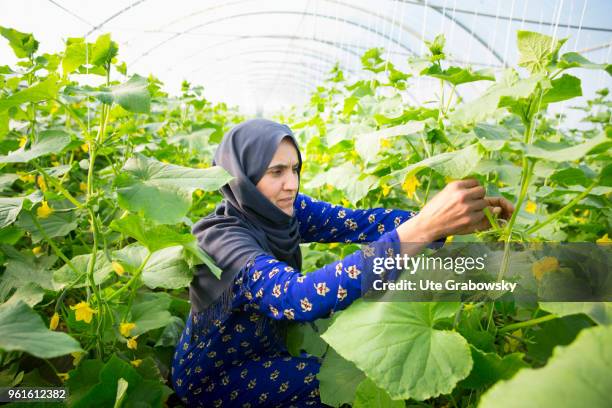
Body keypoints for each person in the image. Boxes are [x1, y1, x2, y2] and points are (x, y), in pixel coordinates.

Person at [171, 119, 514, 407]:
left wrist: (448, 220)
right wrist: (422, 228)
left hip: (267, 348)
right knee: (337, 381)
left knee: (343, 371)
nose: (291, 184)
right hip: (216, 379)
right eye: (276, 172)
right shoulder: (222, 241)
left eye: (295, 169)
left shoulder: (277, 209)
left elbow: (359, 223)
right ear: (242, 175)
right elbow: (299, 296)